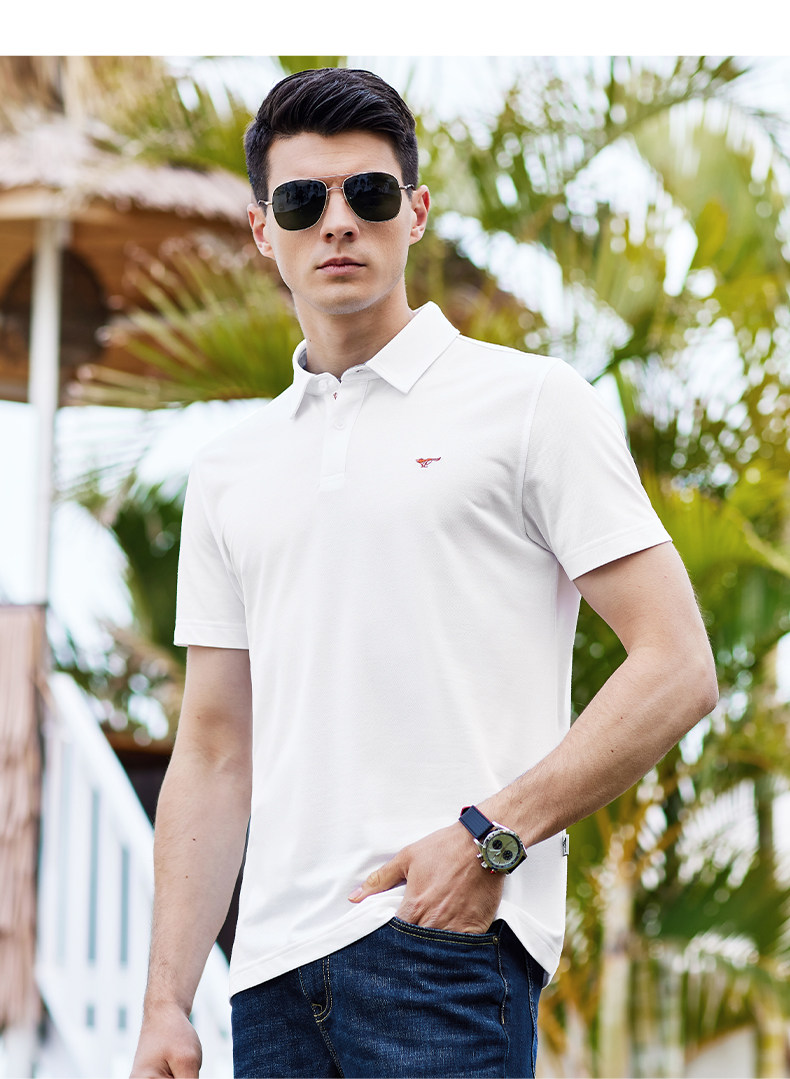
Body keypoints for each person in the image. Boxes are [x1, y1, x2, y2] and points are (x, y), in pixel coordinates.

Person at [131, 67, 718, 1079]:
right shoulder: (228, 470)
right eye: (302, 201)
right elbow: (216, 747)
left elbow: (677, 665)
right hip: (269, 981)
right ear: (263, 231)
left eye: (368, 193)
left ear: (415, 211)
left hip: (442, 944)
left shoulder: (530, 403)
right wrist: (164, 1002)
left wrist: (489, 837)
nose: (338, 222)